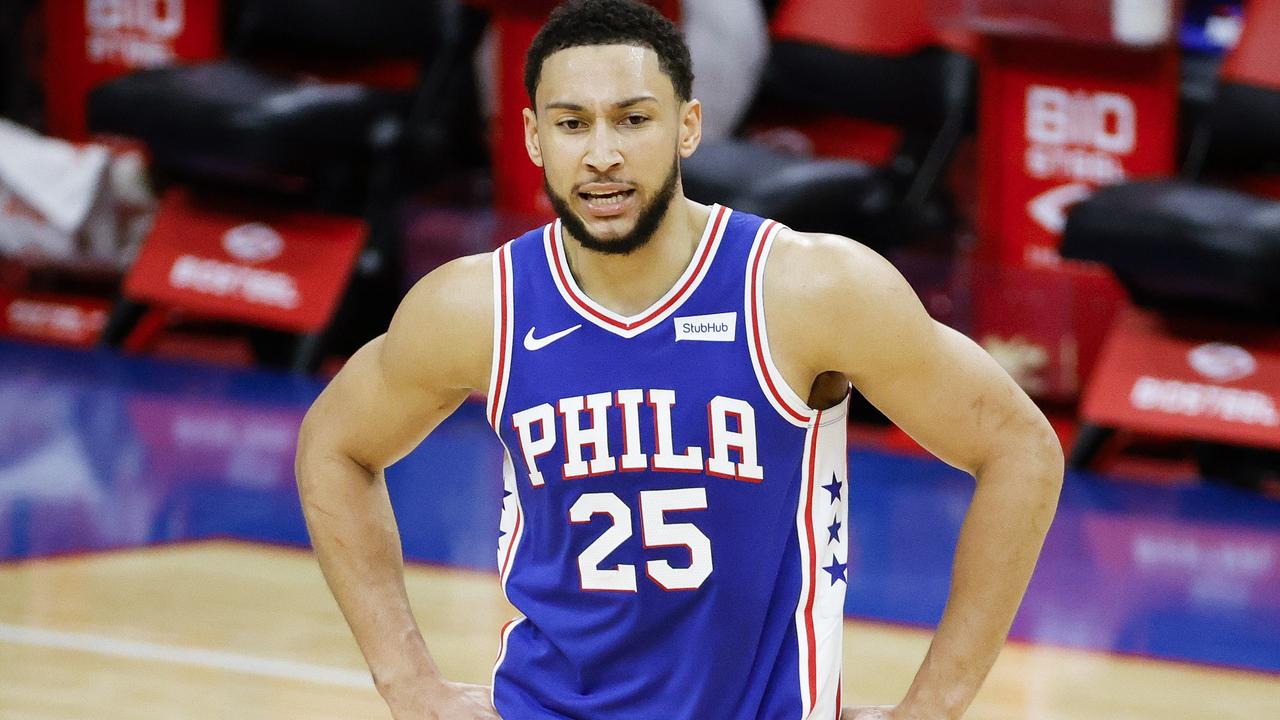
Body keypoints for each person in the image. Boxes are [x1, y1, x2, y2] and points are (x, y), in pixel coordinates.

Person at [294, 1, 1064, 718]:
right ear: (533, 137)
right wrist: (409, 685)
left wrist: (933, 707)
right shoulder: (478, 306)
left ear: (688, 126)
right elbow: (335, 445)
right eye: (572, 124)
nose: (602, 154)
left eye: (633, 120)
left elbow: (1018, 448)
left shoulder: (807, 288)